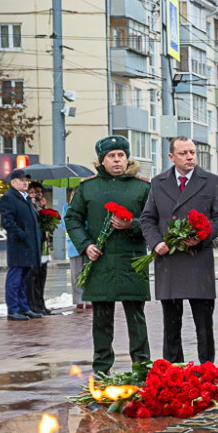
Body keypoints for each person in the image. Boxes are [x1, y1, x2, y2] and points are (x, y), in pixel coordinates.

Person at [64, 135, 152, 375]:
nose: (116, 160)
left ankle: (142, 368)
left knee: (136, 318)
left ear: (127, 158)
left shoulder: (142, 187)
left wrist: (132, 225)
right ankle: (102, 370)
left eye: (121, 155)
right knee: (101, 320)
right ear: (102, 161)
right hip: (99, 262)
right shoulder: (87, 188)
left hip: (131, 261)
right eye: (111, 156)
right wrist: (85, 245)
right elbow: (72, 219)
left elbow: (153, 221)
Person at [140, 136, 218, 365]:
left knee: (204, 325)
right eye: (183, 153)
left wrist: (201, 237)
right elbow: (148, 218)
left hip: (198, 261)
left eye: (192, 152)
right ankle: (173, 371)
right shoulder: (158, 182)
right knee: (171, 324)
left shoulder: (210, 181)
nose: (190, 157)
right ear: (171, 157)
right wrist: (156, 242)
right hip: (168, 261)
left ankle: (207, 370)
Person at [0, 168, 42, 321]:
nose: (25, 183)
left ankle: (24, 308)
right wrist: (22, 235)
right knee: (15, 280)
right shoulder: (9, 198)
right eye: (22, 180)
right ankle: (13, 309)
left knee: (24, 280)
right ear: (13, 182)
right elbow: (7, 222)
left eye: (26, 180)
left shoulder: (26, 198)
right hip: (18, 246)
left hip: (29, 246)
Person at [26, 180, 58, 316]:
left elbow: (45, 225)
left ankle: (40, 303)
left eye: (39, 192)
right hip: (32, 247)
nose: (36, 195)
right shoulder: (27, 206)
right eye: (33, 192)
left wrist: (44, 211)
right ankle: (33, 305)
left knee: (41, 275)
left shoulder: (40, 208)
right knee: (32, 277)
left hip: (43, 246)